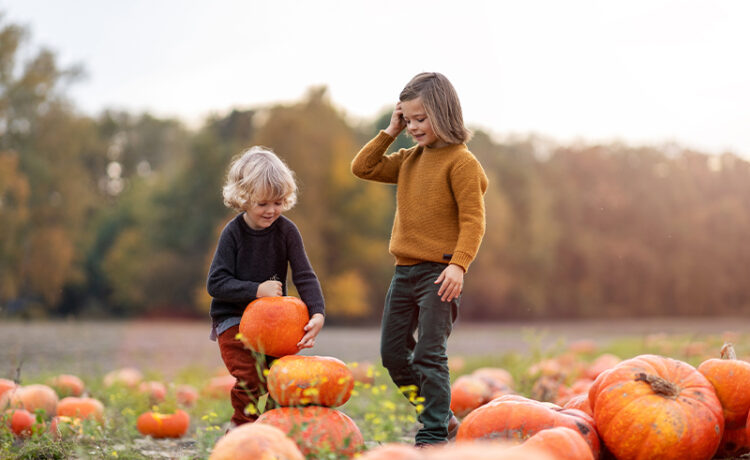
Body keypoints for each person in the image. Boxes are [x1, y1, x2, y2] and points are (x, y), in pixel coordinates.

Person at [351, 72, 488, 447]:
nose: (412, 127)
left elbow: (473, 221)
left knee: (429, 354)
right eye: (407, 119)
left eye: (419, 119)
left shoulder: (462, 163)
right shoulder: (409, 159)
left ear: (443, 113)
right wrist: (389, 131)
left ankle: (432, 436)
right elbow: (362, 168)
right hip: (404, 272)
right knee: (393, 355)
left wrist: (459, 265)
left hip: (440, 274)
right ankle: (441, 417)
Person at [207, 146, 325, 428]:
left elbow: (305, 276)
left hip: (273, 324)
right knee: (250, 376)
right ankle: (242, 431)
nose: (271, 210)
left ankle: (274, 429)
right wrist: (256, 290)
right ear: (243, 198)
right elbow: (216, 283)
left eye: (278, 202)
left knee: (278, 379)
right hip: (233, 320)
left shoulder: (287, 231)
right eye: (263, 204)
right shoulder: (233, 234)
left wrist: (317, 312)